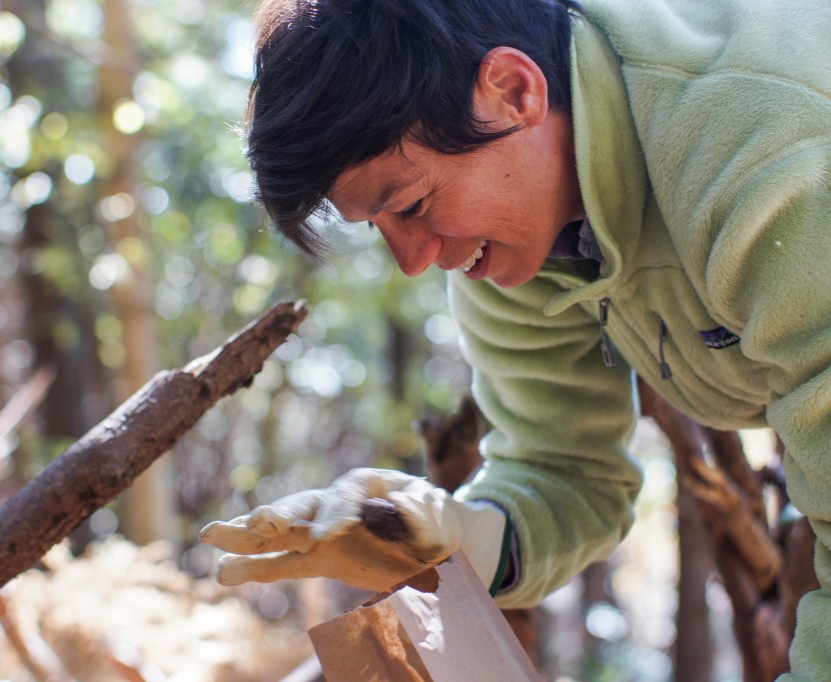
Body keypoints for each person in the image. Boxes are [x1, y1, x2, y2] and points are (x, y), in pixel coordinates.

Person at [199, 0, 831, 678]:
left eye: (411, 205)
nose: (414, 260)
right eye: (380, 227)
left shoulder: (765, 152)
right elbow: (564, 470)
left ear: (514, 91)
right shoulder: (511, 226)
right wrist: (462, 534)